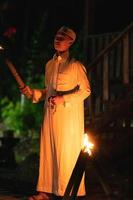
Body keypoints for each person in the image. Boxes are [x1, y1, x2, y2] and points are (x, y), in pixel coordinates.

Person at [20, 26, 91, 200]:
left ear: (70, 42)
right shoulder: (49, 65)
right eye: (56, 36)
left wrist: (63, 99)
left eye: (62, 37)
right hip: (50, 115)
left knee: (65, 152)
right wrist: (34, 93)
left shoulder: (76, 66)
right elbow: (48, 90)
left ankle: (65, 191)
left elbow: (86, 91)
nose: (57, 40)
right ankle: (45, 191)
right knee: (48, 151)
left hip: (68, 118)